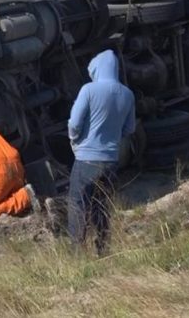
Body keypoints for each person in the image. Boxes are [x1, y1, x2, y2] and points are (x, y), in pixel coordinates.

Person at [66, 49, 135, 255]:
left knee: (77, 205)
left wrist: (75, 138)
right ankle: (103, 250)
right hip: (111, 160)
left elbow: (75, 123)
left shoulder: (88, 90)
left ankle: (78, 255)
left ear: (96, 69)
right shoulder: (127, 94)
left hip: (86, 160)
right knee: (101, 206)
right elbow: (129, 129)